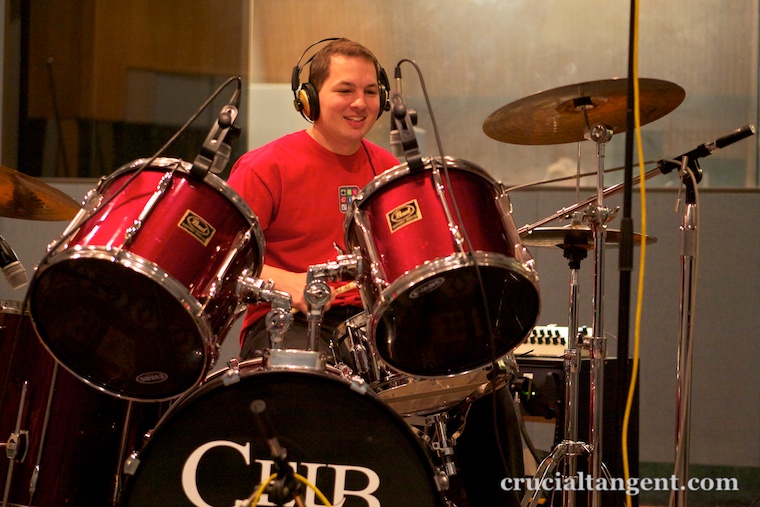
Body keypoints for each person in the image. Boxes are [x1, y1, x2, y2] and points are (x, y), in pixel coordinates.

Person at [227, 38, 524, 507]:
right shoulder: (264, 166)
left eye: (370, 91)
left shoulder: (389, 172)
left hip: (376, 323)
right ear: (308, 99)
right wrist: (296, 285)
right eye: (344, 90)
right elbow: (228, 261)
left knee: (481, 371)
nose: (360, 103)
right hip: (292, 324)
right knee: (325, 391)